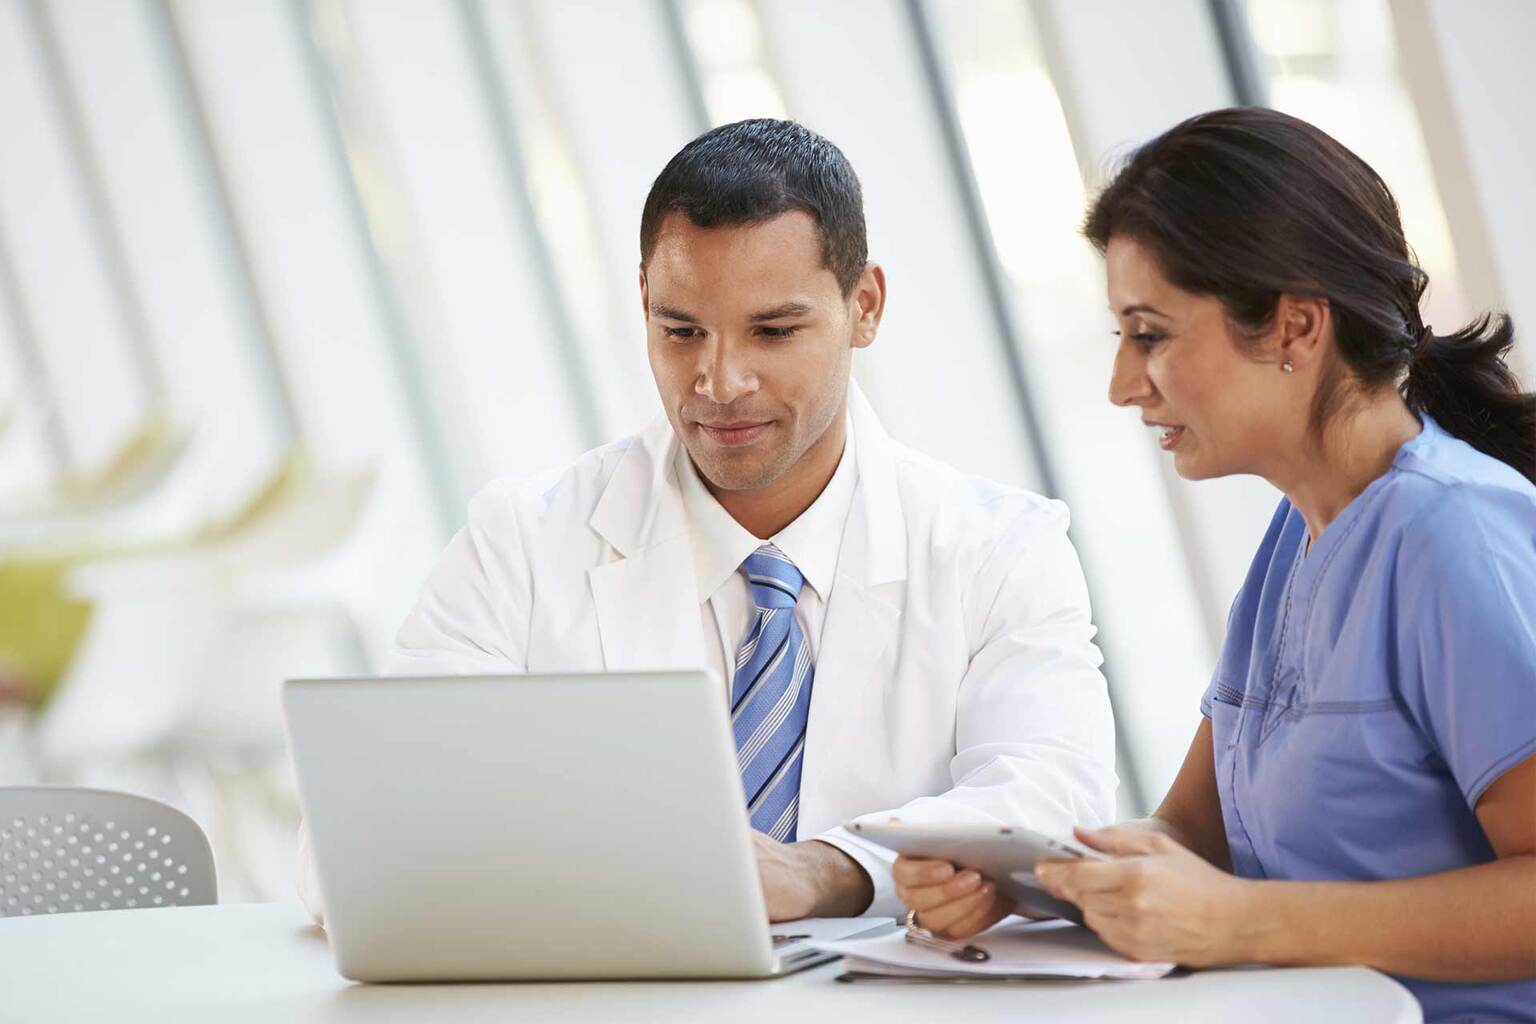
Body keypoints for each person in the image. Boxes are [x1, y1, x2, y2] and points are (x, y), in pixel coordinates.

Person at [297, 119, 1117, 926]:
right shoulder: (522, 541)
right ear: (644, 302)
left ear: (863, 306)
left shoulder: (1002, 548)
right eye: (682, 331)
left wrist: (826, 873)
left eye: (774, 330)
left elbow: (1051, 796)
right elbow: (352, 851)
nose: (720, 381)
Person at [894, 107, 1536, 1021]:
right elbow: (1192, 838)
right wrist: (1042, 883)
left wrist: (1246, 923)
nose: (1121, 383)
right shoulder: (1297, 541)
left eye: (1150, 334)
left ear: (1295, 329)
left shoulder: (1457, 540)